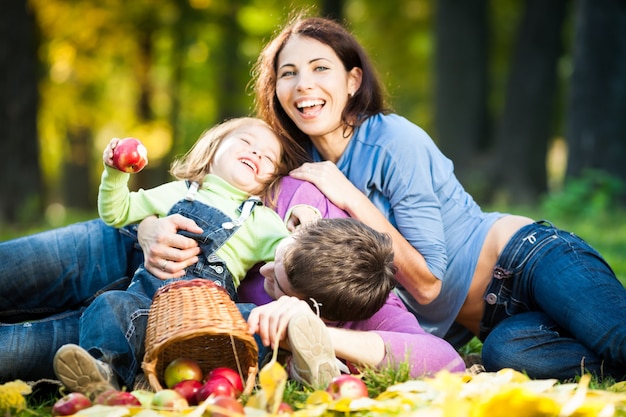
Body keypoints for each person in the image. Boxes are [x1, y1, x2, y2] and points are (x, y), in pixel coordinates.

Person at [242, 15, 626, 381]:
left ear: (353, 80)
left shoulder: (394, 141)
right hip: (496, 327)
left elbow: (427, 286)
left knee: (616, 338)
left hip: (528, 260)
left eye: (320, 68)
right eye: (288, 73)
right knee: (504, 357)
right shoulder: (298, 172)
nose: (303, 84)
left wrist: (354, 198)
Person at [51, 116, 322, 394]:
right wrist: (115, 174)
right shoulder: (179, 191)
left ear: (269, 179)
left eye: (267, 158)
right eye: (246, 142)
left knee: (256, 319)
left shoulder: (259, 218)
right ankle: (102, 373)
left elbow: (293, 255)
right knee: (110, 304)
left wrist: (303, 220)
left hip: (213, 319)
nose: (256, 153)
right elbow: (116, 212)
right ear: (214, 148)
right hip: (148, 310)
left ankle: (297, 365)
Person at [247, 218, 465, 387]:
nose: (263, 270)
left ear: (319, 311)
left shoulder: (379, 309)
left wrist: (311, 330)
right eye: (275, 257)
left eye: (276, 281)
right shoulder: (315, 243)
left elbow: (449, 363)